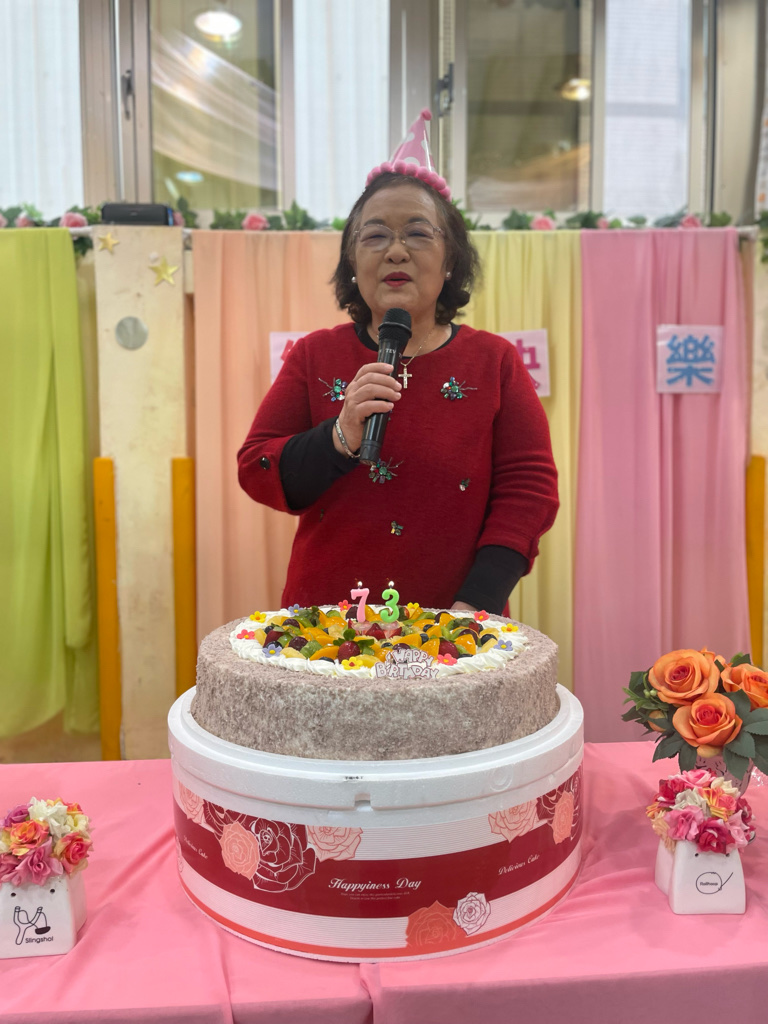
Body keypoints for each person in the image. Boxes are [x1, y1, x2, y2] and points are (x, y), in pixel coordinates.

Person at [238, 114, 558, 614]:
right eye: (374, 236)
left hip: (455, 624)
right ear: (352, 261)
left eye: (417, 233)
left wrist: (477, 602)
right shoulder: (314, 355)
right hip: (327, 627)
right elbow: (256, 468)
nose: (395, 251)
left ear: (450, 260)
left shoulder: (495, 361)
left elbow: (529, 488)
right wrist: (339, 436)